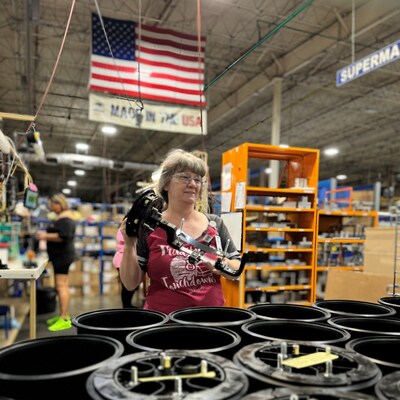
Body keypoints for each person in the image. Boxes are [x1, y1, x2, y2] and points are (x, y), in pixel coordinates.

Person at [118, 149, 241, 314]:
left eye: (198, 179)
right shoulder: (149, 227)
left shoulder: (215, 224)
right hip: (165, 322)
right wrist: (129, 245)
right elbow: (130, 284)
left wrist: (222, 265)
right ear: (166, 184)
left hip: (212, 319)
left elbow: (237, 269)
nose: (193, 184)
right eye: (184, 177)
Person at [36, 193, 76, 331]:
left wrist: (44, 235)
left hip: (62, 256)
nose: (52, 208)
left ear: (60, 204)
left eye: (53, 205)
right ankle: (62, 315)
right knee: (62, 285)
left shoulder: (66, 218)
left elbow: (64, 236)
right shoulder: (63, 217)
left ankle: (64, 318)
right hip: (60, 256)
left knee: (61, 286)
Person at [113, 228, 137, 308]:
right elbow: (127, 241)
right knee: (126, 286)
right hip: (122, 259)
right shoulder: (123, 228)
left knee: (129, 285)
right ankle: (126, 306)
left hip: (126, 259)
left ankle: (127, 305)